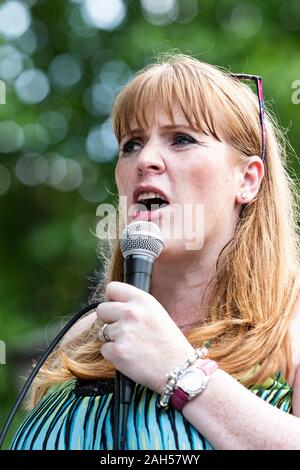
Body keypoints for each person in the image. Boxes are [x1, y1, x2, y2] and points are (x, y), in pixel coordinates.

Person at [10, 53, 300, 450]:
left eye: (182, 139)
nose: (145, 160)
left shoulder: (291, 328)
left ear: (247, 180)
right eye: (131, 144)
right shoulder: (82, 336)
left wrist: (182, 373)